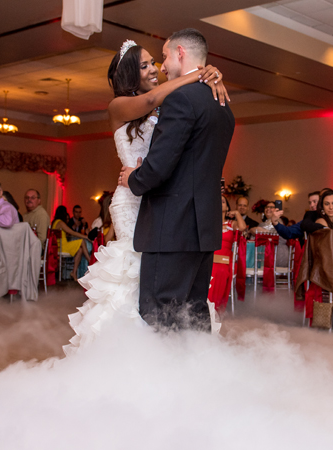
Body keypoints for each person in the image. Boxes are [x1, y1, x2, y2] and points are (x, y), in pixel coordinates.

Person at [64, 35, 226, 353]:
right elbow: (151, 100)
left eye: (155, 61)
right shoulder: (119, 105)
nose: (155, 68)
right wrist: (199, 73)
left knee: (165, 280)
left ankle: (168, 353)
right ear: (129, 73)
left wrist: (207, 76)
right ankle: (131, 352)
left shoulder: (172, 102)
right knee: (135, 274)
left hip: (159, 195)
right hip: (132, 197)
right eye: (145, 65)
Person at [117, 28, 234, 331]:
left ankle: (163, 367)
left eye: (164, 57)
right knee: (194, 315)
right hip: (202, 227)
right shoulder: (222, 103)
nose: (162, 67)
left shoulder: (180, 98)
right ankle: (199, 362)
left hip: (171, 227)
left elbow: (158, 167)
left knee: (160, 318)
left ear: (180, 53)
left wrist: (133, 178)